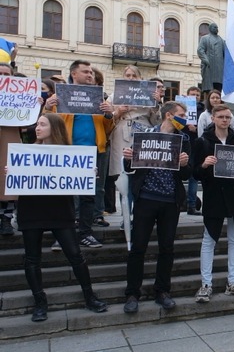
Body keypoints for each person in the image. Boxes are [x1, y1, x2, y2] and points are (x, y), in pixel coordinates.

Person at [16, 113, 107, 321]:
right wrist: (12, 172)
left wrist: (87, 173)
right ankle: (39, 302)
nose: (37, 128)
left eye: (42, 124)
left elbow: (77, 182)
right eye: (37, 124)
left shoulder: (70, 154)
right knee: (32, 259)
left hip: (59, 209)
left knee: (75, 254)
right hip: (31, 210)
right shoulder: (26, 152)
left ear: (54, 127)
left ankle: (89, 296)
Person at [122, 101, 192, 314]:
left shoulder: (184, 140)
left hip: (170, 201)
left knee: (167, 248)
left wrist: (184, 164)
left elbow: (186, 175)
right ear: (169, 115)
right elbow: (130, 167)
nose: (184, 119)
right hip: (146, 198)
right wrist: (128, 158)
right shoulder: (145, 135)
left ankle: (162, 290)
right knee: (138, 248)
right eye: (181, 115)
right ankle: (133, 293)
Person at [44, 60, 115, 248]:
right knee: (65, 196)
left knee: (88, 196)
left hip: (93, 152)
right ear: (74, 74)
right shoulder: (63, 95)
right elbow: (47, 122)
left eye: (91, 72)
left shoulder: (99, 98)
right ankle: (62, 236)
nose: (90, 75)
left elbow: (108, 129)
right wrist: (47, 106)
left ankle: (85, 233)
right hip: (68, 151)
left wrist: (109, 115)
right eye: (85, 72)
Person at [192, 104, 234, 302]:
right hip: (214, 196)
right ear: (213, 118)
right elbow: (194, 172)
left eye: (227, 117)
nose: (225, 120)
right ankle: (206, 284)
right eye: (221, 117)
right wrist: (204, 164)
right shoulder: (203, 142)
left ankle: (233, 281)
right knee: (209, 240)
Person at [107, 66, 161, 218]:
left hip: (144, 132)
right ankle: (125, 217)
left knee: (143, 174)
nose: (130, 78)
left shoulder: (149, 95)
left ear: (140, 78)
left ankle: (141, 215)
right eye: (127, 75)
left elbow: (157, 121)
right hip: (122, 133)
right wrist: (117, 112)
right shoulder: (114, 96)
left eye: (134, 75)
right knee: (123, 176)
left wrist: (157, 104)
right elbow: (107, 120)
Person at [0, 63, 21, 236]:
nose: (3, 75)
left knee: (9, 179)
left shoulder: (20, 94)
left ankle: (6, 219)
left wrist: (35, 106)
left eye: (7, 73)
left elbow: (30, 122)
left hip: (10, 137)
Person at [184, 86, 206, 215]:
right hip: (183, 144)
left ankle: (191, 205)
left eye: (197, 95)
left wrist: (196, 128)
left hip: (196, 146)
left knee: (193, 177)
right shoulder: (181, 108)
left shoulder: (203, 110)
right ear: (187, 95)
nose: (195, 96)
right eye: (192, 94)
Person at [197, 22, 226, 92]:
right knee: (209, 86)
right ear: (210, 29)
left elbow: (226, 54)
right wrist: (206, 60)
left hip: (219, 67)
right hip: (209, 66)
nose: (216, 29)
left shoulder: (222, 41)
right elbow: (200, 50)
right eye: (214, 27)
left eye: (217, 27)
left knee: (219, 85)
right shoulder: (205, 38)